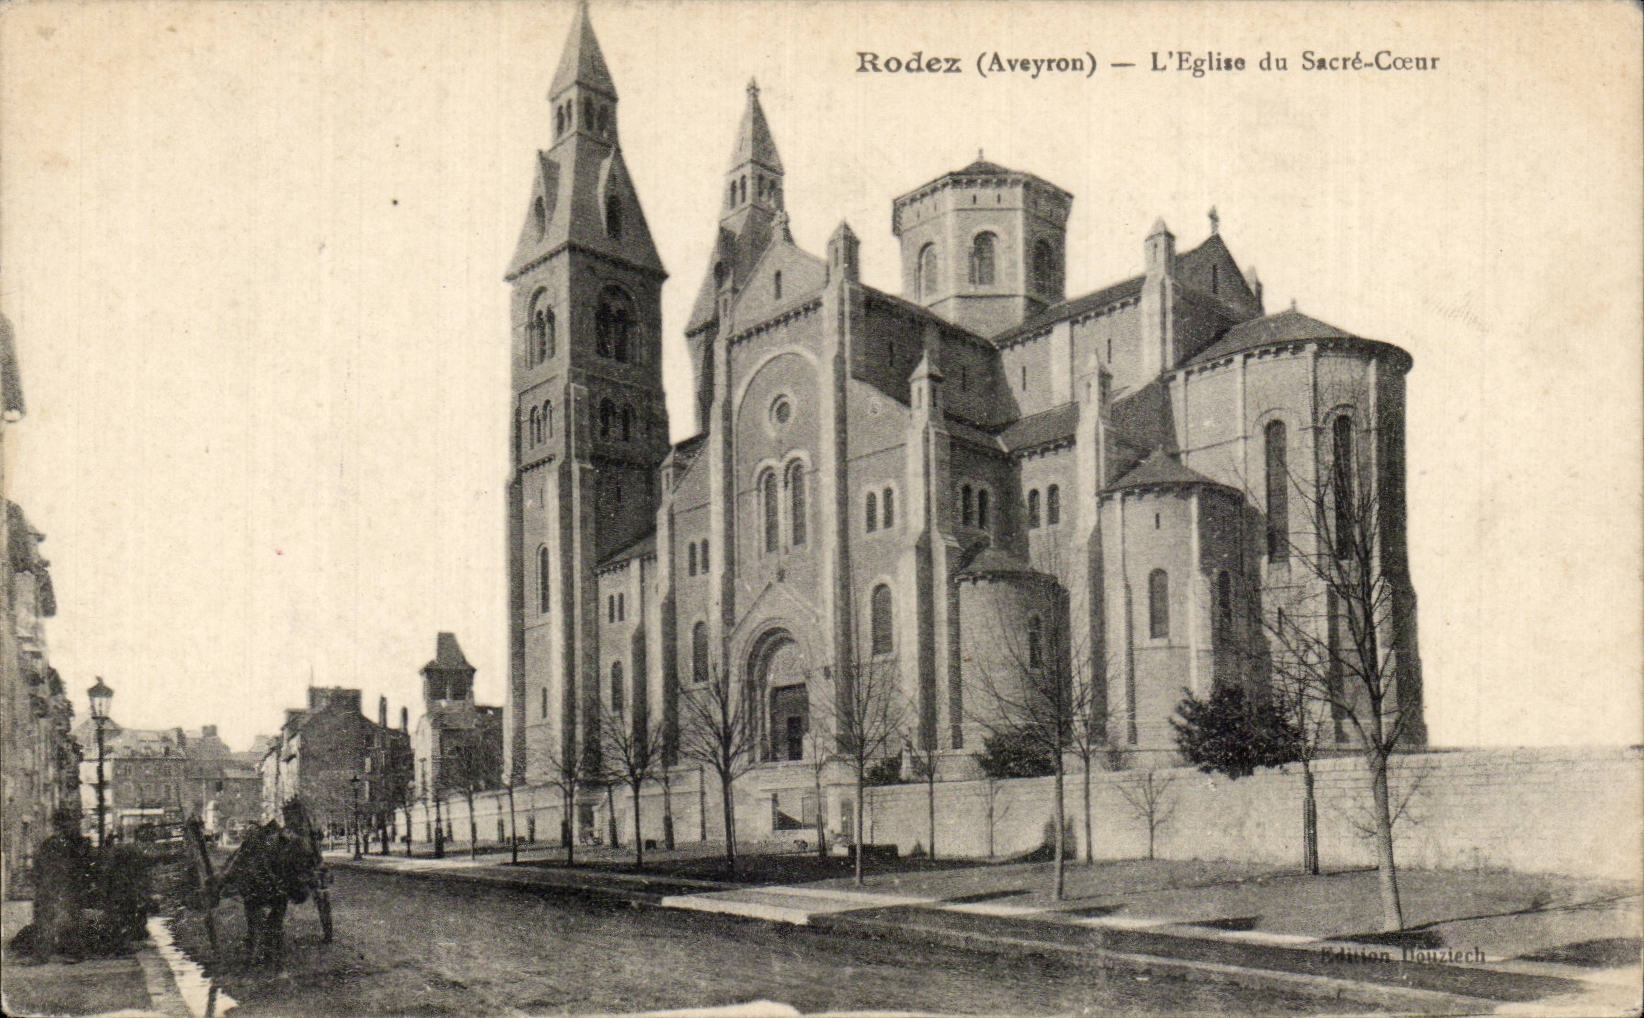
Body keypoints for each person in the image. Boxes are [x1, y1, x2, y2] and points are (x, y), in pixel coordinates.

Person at [31, 807, 94, 962]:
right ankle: (44, 954)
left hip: (66, 887)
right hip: (53, 886)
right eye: (61, 824)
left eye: (66, 824)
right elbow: (39, 865)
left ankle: (72, 952)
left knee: (69, 919)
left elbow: (84, 866)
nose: (63, 828)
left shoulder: (76, 843)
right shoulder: (52, 844)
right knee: (48, 919)